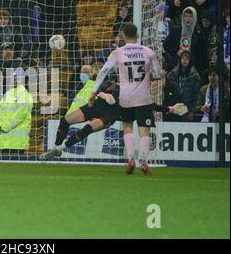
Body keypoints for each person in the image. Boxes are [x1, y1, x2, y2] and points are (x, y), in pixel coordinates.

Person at [40, 81, 187, 161]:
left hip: (107, 117)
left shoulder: (139, 98)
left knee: (86, 130)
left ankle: (60, 149)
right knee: (66, 120)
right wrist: (103, 95)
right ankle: (55, 147)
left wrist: (171, 109)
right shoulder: (117, 85)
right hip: (96, 106)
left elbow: (152, 106)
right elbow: (100, 88)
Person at [90, 23, 162, 175]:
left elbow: (103, 71)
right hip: (143, 98)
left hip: (125, 98)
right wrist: (150, 75)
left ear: (123, 36)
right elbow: (159, 74)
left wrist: (93, 91)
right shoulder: (149, 52)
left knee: (127, 127)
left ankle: (130, 159)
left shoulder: (117, 53)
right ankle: (143, 160)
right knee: (144, 131)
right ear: (137, 35)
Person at [0, 70, 34, 154]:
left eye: (17, 77)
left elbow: (20, 115)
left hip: (18, 143)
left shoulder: (25, 95)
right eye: (13, 77)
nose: (15, 79)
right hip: (4, 141)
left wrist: (5, 127)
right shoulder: (7, 94)